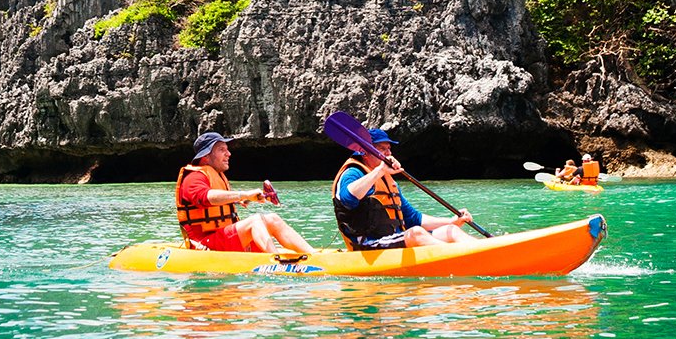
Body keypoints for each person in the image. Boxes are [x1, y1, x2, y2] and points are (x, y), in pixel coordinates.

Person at [331, 127, 475, 249]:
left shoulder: (386, 179)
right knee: (416, 233)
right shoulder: (352, 173)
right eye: (382, 149)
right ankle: (459, 258)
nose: (388, 154)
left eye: (389, 149)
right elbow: (347, 199)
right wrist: (380, 170)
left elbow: (413, 218)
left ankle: (483, 251)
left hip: (393, 239)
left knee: (451, 230)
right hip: (368, 244)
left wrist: (452, 221)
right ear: (365, 152)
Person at [176, 132, 314, 256]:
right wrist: (244, 194)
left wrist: (244, 199)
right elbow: (206, 197)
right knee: (255, 220)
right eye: (221, 150)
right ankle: (276, 260)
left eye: (227, 149)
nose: (228, 154)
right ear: (206, 157)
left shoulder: (215, 175)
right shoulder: (193, 178)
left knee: (273, 219)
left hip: (223, 239)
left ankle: (314, 255)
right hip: (205, 245)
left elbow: (219, 203)